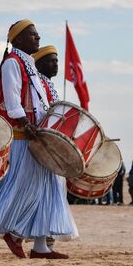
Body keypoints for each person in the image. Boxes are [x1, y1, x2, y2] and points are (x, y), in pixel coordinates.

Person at [0, 19, 74, 259]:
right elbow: (12, 100)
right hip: (23, 136)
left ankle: (40, 246)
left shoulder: (28, 64)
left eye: (37, 34)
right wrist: (24, 122)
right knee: (14, 189)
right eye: (33, 34)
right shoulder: (12, 63)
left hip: (36, 135)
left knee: (45, 189)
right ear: (18, 39)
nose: (38, 38)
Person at [32, 45, 79, 240]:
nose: (56, 64)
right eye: (51, 61)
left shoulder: (49, 85)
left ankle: (46, 234)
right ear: (40, 63)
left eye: (57, 60)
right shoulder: (39, 84)